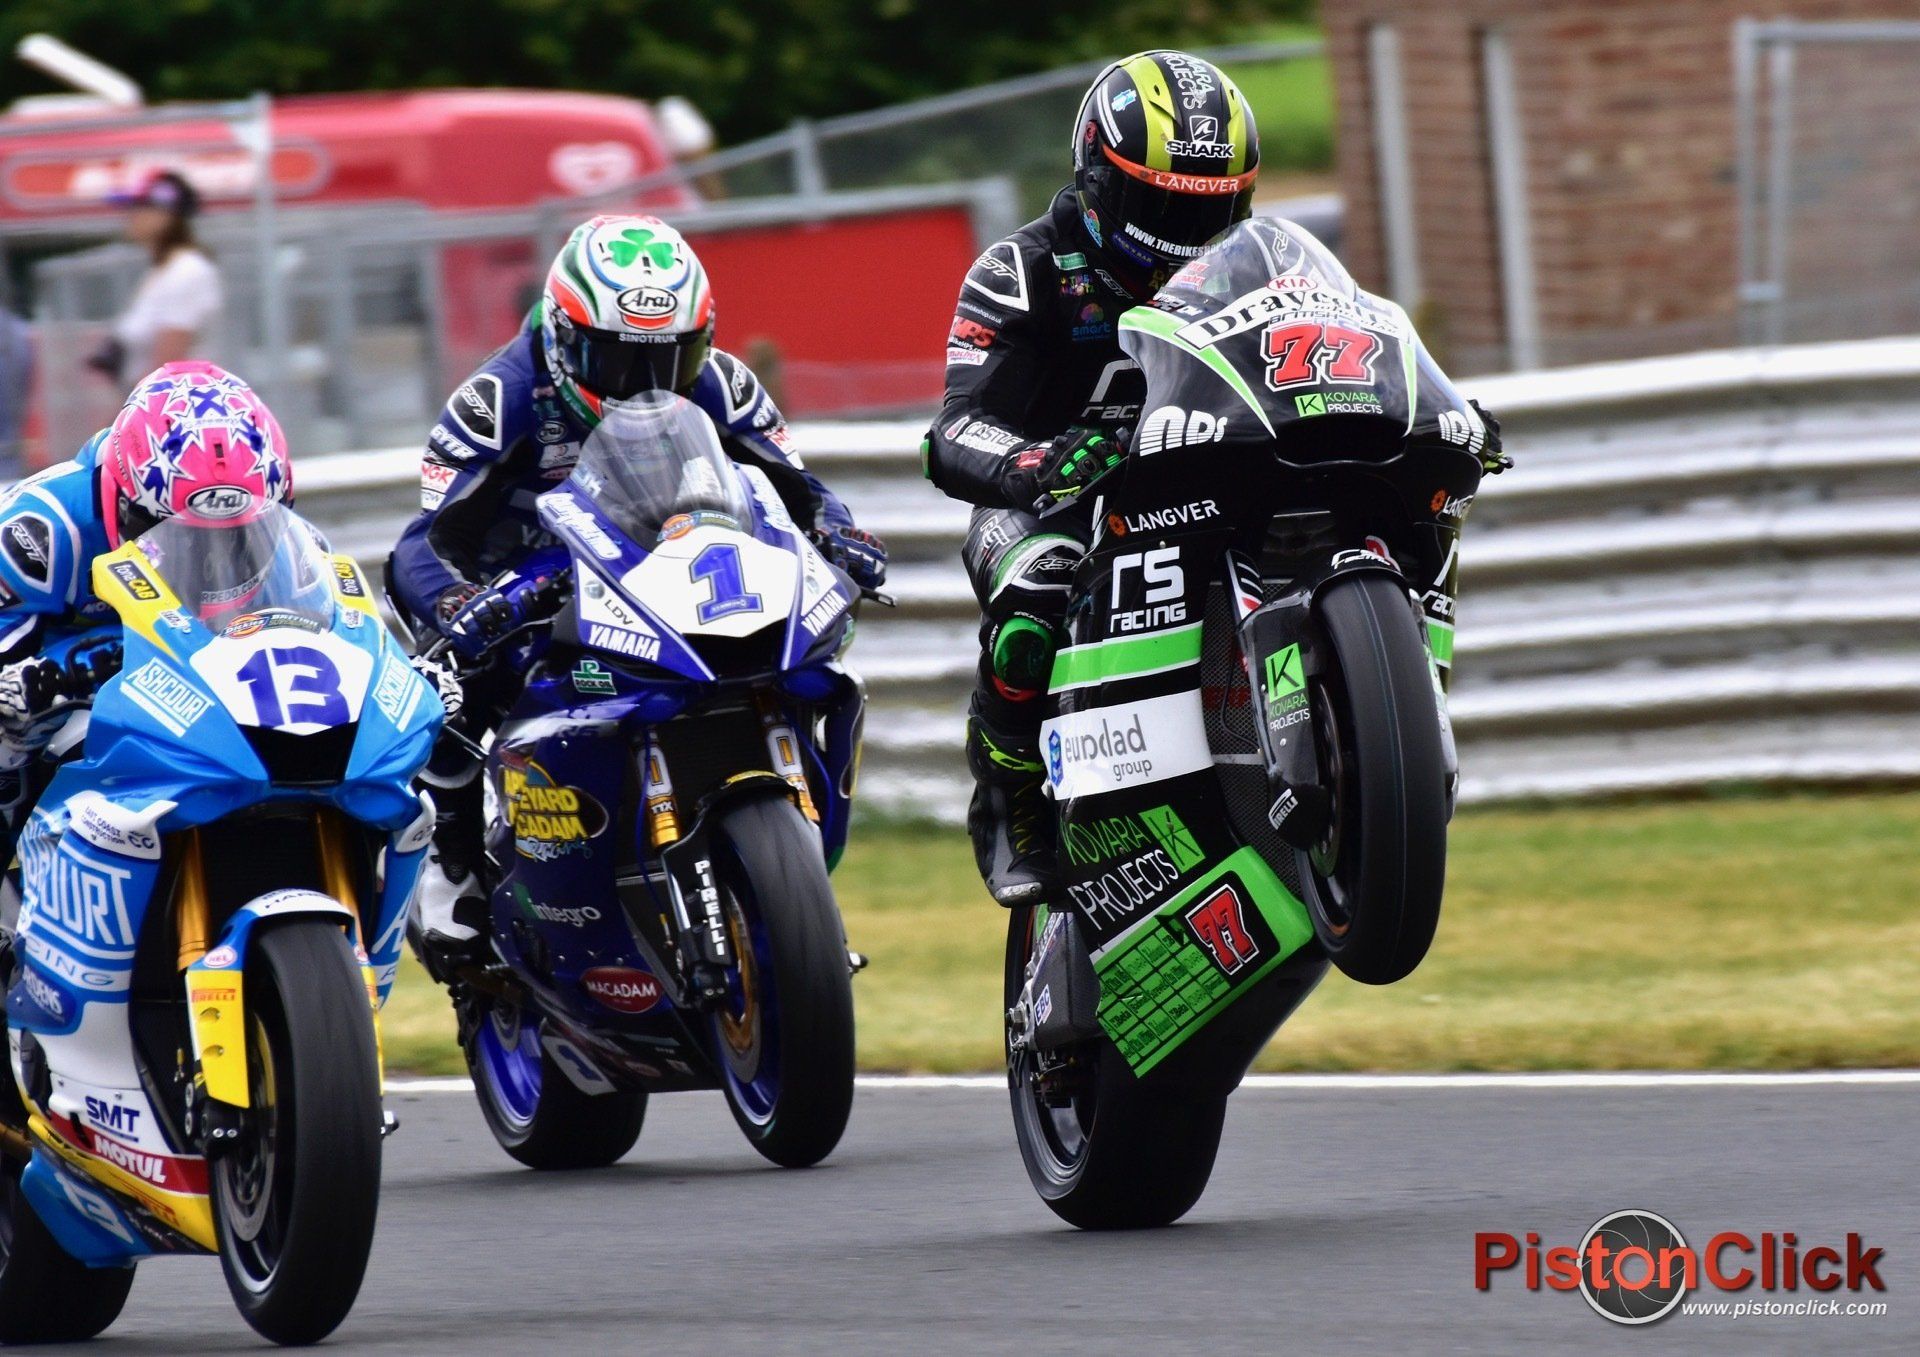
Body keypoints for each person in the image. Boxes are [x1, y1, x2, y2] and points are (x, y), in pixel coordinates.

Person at [923, 51, 1502, 907]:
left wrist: (1430, 404)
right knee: (1032, 600)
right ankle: (1009, 797)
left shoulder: (1260, 263)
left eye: (1210, 207)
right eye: (1157, 203)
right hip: (1060, 501)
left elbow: (1336, 336)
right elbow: (951, 432)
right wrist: (1034, 462)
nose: (1181, 232)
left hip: (1203, 467)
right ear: (1095, 177)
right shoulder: (1023, 274)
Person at [388, 213, 887, 968]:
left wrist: (840, 530)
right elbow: (425, 540)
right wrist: (462, 605)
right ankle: (451, 859)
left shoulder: (723, 383)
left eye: (671, 358)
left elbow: (798, 491)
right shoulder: (501, 395)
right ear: (563, 334)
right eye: (618, 361)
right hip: (523, 580)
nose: (645, 384)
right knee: (457, 681)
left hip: (660, 560)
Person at [0, 361, 292, 865]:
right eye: (177, 534)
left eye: (236, 539)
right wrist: (46, 676)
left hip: (196, 694)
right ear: (122, 498)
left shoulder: (272, 524)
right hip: (63, 707)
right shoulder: (39, 533)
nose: (209, 565)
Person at [86, 171, 223, 384]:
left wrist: (130, 411)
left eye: (139, 208)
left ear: (165, 216)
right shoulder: (162, 271)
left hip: (176, 408)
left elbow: (168, 366)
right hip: (160, 406)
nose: (129, 217)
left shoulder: (187, 272)